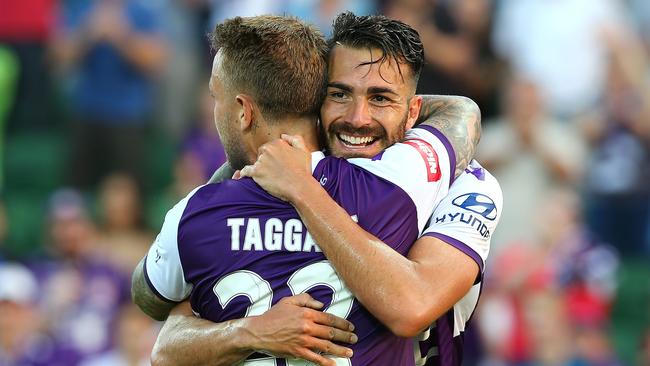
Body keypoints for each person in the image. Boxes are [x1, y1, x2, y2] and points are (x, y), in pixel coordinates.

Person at [132, 14, 484, 365]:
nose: (358, 117)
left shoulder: (195, 214)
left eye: (380, 98)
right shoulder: (405, 183)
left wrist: (291, 187)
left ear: (243, 111)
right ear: (320, 101)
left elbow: (149, 300)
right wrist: (252, 331)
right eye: (340, 94)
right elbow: (462, 112)